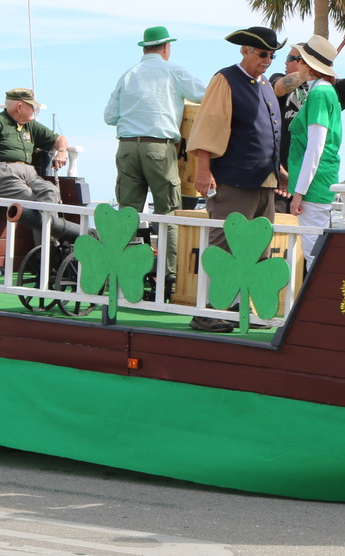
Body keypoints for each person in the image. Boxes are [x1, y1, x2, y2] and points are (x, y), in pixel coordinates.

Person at [187, 26, 284, 330]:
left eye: (272, 54)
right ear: (245, 50)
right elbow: (208, 126)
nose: (267, 59)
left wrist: (278, 171)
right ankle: (210, 311)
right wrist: (203, 171)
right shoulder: (225, 79)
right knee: (225, 245)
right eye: (262, 53)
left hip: (263, 181)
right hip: (233, 179)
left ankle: (241, 308)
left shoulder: (265, 83)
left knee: (258, 248)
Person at [104, 25, 206, 281]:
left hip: (126, 146)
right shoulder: (173, 71)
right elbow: (203, 95)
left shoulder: (128, 74)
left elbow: (110, 117)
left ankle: (122, 272)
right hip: (159, 147)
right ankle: (169, 275)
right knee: (168, 211)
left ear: (144, 47)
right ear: (166, 47)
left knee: (128, 212)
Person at [271, 26, 345, 202]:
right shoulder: (279, 77)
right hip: (281, 176)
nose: (285, 62)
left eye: (291, 58)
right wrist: (310, 70)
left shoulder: (327, 89)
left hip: (311, 181)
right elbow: (278, 88)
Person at [0, 87, 76, 245]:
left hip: (29, 174)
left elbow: (60, 139)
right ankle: (45, 251)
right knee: (33, 201)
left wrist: (61, 152)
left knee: (50, 191)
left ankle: (49, 248)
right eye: (32, 106)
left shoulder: (31, 125)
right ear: (20, 106)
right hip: (2, 173)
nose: (34, 110)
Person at [285, 35, 343, 261]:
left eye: (299, 59)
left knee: (312, 253)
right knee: (314, 251)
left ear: (308, 65)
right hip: (319, 182)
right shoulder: (325, 91)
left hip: (314, 185)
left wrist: (299, 193)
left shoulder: (319, 93)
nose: (296, 63)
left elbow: (315, 148)